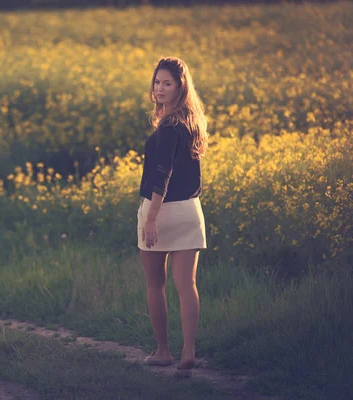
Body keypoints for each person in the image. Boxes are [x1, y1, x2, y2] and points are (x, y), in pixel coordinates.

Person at [137, 56, 208, 378]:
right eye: (157, 82)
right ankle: (189, 351)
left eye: (167, 83)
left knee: (155, 284)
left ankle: (164, 351)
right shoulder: (193, 123)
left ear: (180, 87)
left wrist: (151, 219)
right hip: (191, 212)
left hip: (160, 210)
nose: (160, 88)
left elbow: (161, 174)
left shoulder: (168, 127)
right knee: (187, 285)